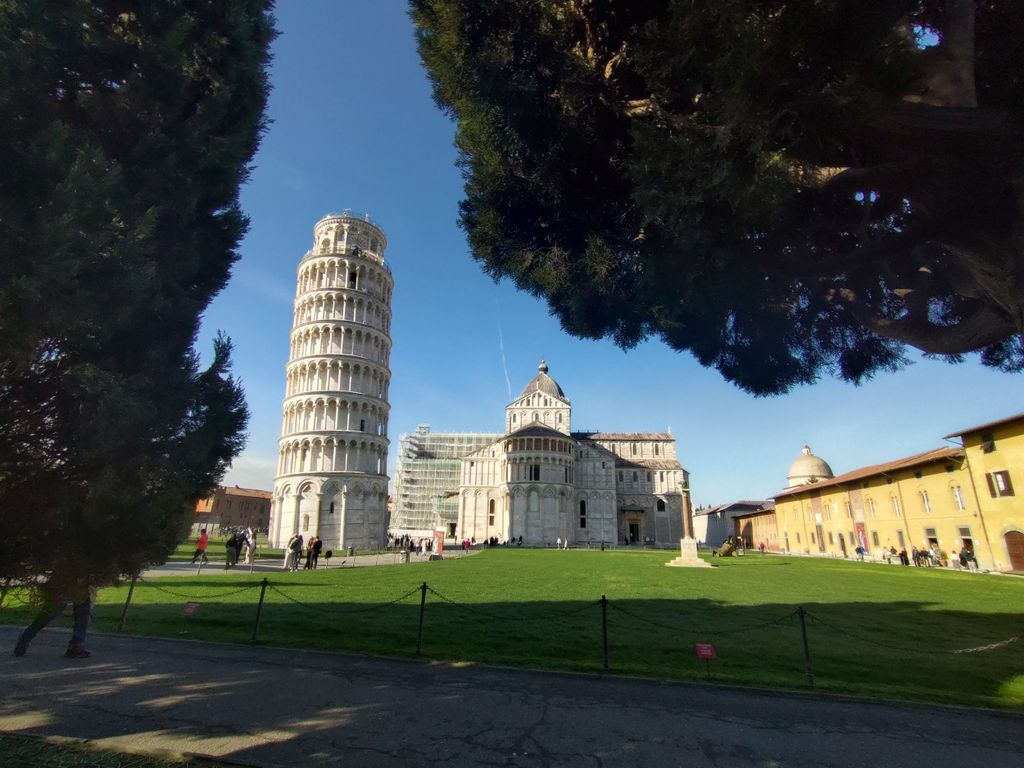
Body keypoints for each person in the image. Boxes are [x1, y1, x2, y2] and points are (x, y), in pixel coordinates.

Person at [14, 582, 97, 659]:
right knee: (49, 614)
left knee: (84, 613)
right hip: (63, 582)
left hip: (82, 584)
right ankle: (24, 638)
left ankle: (76, 646)